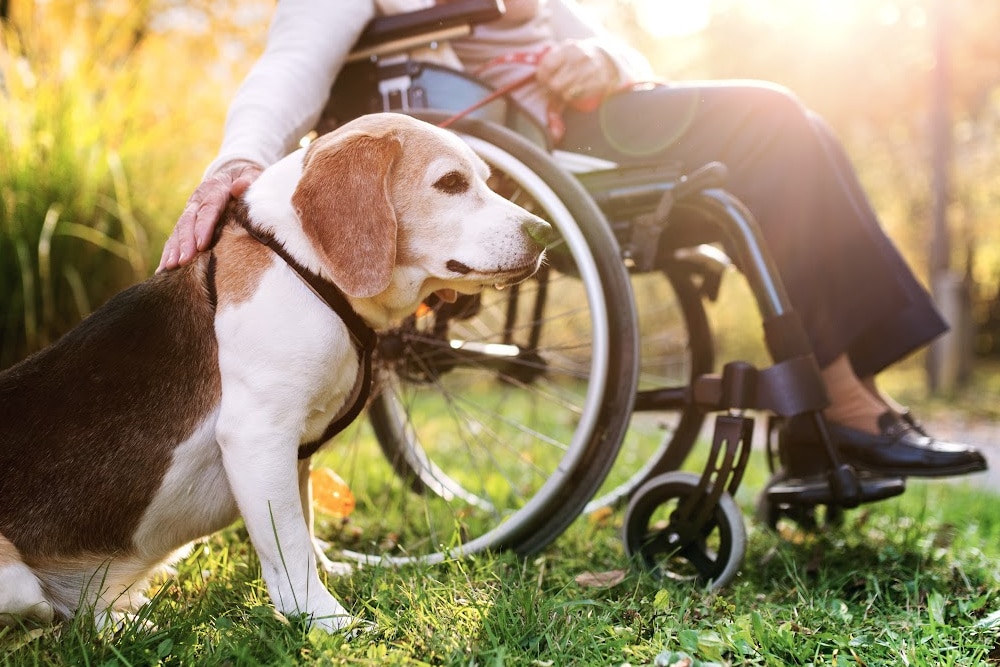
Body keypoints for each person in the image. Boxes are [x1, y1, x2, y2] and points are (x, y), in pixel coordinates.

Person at [159, 0, 986, 484]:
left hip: (586, 124)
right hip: (506, 147)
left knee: (798, 128)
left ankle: (839, 393)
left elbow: (614, 40)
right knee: (771, 115)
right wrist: (239, 157)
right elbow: (289, 66)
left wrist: (603, 56)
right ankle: (840, 408)